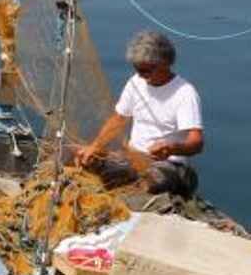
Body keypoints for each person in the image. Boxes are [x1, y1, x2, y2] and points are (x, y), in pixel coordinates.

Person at [78, 29, 203, 197]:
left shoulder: (185, 93)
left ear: (165, 63)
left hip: (167, 164)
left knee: (151, 181)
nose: (141, 75)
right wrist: (95, 146)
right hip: (132, 158)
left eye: (146, 70)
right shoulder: (135, 82)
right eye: (137, 69)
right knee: (79, 159)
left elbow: (197, 142)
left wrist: (172, 148)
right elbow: (119, 119)